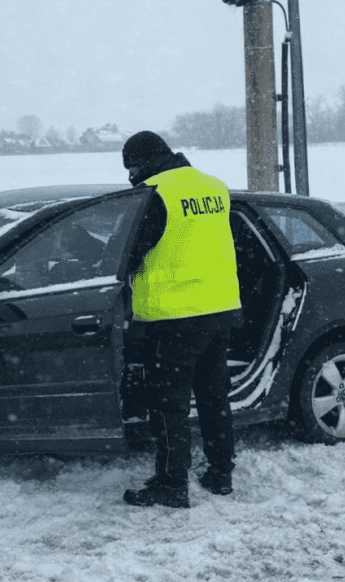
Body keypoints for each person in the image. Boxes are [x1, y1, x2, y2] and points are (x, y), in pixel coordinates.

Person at [120, 131, 242, 509]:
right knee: (213, 397)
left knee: (168, 405)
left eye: (131, 167)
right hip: (219, 309)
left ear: (145, 161)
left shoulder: (155, 194)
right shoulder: (214, 186)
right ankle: (221, 473)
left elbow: (130, 254)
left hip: (172, 316)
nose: (130, 175)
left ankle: (172, 484)